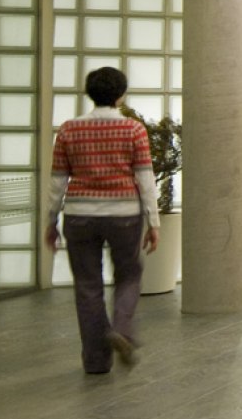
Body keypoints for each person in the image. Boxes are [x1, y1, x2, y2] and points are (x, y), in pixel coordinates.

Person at [44, 67, 160, 374]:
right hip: (124, 215)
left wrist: (50, 221)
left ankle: (96, 361)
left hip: (80, 216)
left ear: (89, 93)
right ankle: (121, 329)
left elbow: (58, 181)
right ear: (121, 95)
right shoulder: (133, 130)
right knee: (129, 276)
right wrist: (154, 222)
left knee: (87, 286)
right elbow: (145, 179)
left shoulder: (69, 129)